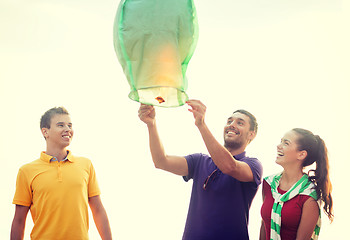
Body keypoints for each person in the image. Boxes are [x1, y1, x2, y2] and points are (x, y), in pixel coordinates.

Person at [138, 99, 263, 240]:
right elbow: (161, 161)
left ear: (251, 134)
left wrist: (201, 124)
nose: (232, 125)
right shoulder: (199, 161)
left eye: (240, 123)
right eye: (229, 121)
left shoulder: (253, 165)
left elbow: (230, 167)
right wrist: (151, 124)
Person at [11, 107, 112, 240]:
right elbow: (19, 220)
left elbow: (98, 210)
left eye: (70, 125)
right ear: (45, 132)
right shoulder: (27, 171)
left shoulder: (85, 165)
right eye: (60, 125)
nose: (68, 129)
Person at [260, 128, 334, 240]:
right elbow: (264, 225)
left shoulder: (309, 195)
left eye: (286, 143)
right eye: (281, 141)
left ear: (301, 154)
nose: (279, 146)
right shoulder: (269, 184)